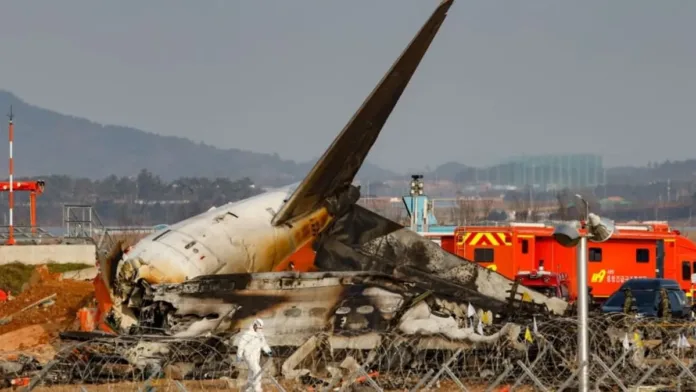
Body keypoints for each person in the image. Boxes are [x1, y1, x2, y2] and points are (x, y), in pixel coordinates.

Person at [235, 318, 272, 392]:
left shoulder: (260, 335)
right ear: (255, 326)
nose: (259, 329)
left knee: (252, 372)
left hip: (256, 356)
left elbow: (263, 344)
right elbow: (241, 345)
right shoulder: (248, 334)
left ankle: (248, 389)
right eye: (258, 328)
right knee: (257, 370)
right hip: (249, 356)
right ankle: (257, 388)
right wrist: (239, 355)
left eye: (261, 328)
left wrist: (268, 351)